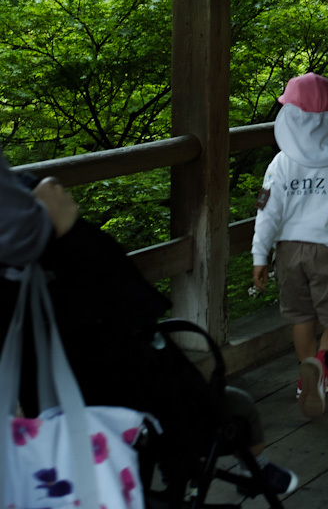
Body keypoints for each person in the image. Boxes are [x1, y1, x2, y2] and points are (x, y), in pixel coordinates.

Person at [0, 152, 300, 498]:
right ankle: (255, 470)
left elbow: (267, 210)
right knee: (238, 406)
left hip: (56, 418)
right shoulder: (88, 275)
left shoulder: (25, 303)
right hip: (142, 418)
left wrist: (260, 254)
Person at [252, 72, 328, 420]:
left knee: (301, 317)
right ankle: (322, 366)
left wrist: (260, 256)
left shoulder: (280, 164)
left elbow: (266, 212)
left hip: (289, 251)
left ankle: (306, 377)